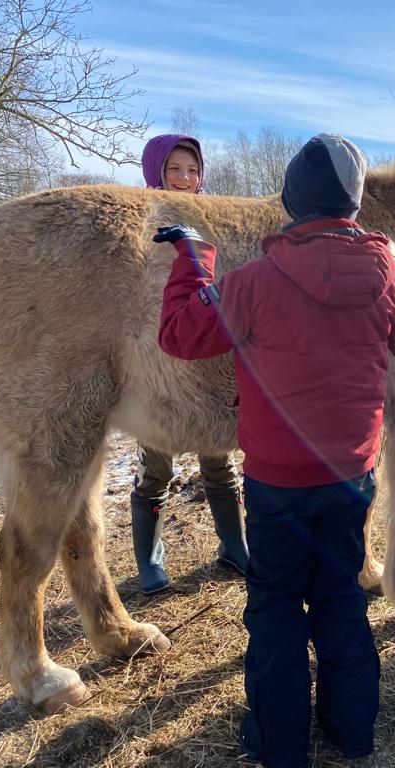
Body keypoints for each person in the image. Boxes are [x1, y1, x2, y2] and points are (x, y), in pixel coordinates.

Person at [156, 133, 395, 767]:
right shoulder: (388, 275)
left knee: (277, 605)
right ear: (355, 207)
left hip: (275, 482)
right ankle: (352, 731)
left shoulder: (254, 281)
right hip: (350, 476)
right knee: (341, 594)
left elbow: (181, 336)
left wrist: (194, 262)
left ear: (290, 202)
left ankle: (280, 745)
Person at [131, 133, 249, 595]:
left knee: (219, 462)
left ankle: (234, 545)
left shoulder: (210, 219)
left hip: (206, 355)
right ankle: (150, 561)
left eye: (192, 170)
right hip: (153, 364)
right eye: (174, 170)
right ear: (155, 171)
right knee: (156, 464)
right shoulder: (137, 221)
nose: (184, 179)